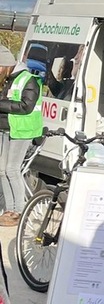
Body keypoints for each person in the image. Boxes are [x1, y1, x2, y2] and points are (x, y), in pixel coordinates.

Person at [0, 45, 44, 227]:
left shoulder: (30, 80)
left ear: (6, 65)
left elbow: (25, 107)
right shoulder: (8, 79)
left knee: (12, 169)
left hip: (22, 131)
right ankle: (10, 210)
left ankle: (19, 211)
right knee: (2, 171)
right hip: (6, 129)